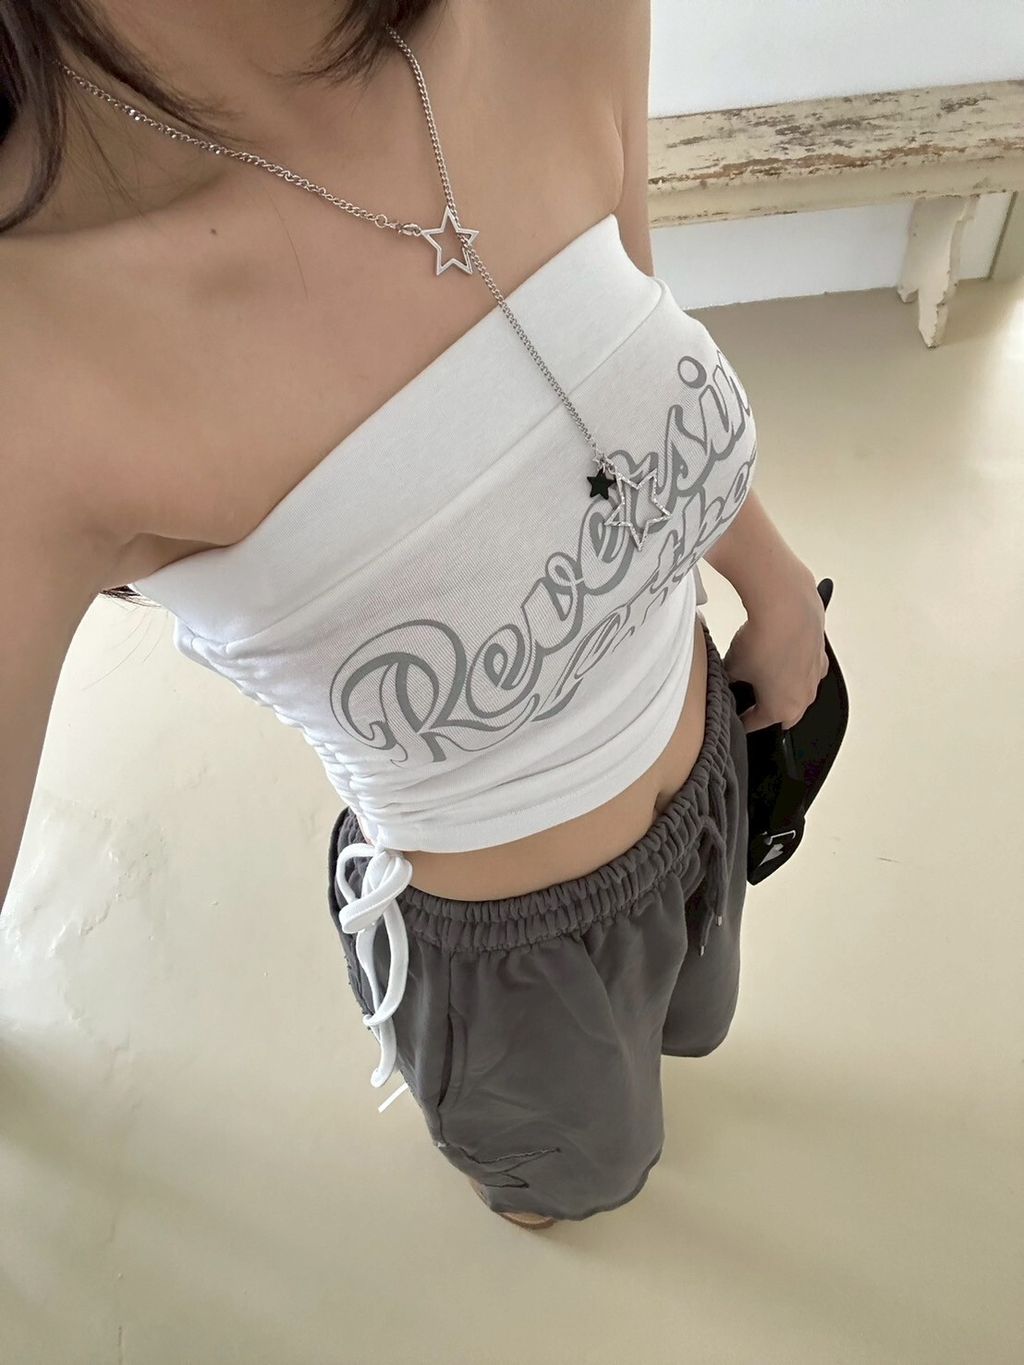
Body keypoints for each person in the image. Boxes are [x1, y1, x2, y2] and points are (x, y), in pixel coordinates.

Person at [0, 0, 828, 1229]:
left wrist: (772, 580)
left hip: (713, 750)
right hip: (511, 959)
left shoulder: (559, 17)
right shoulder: (35, 354)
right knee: (567, 1181)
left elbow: (611, 382)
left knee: (691, 1021)